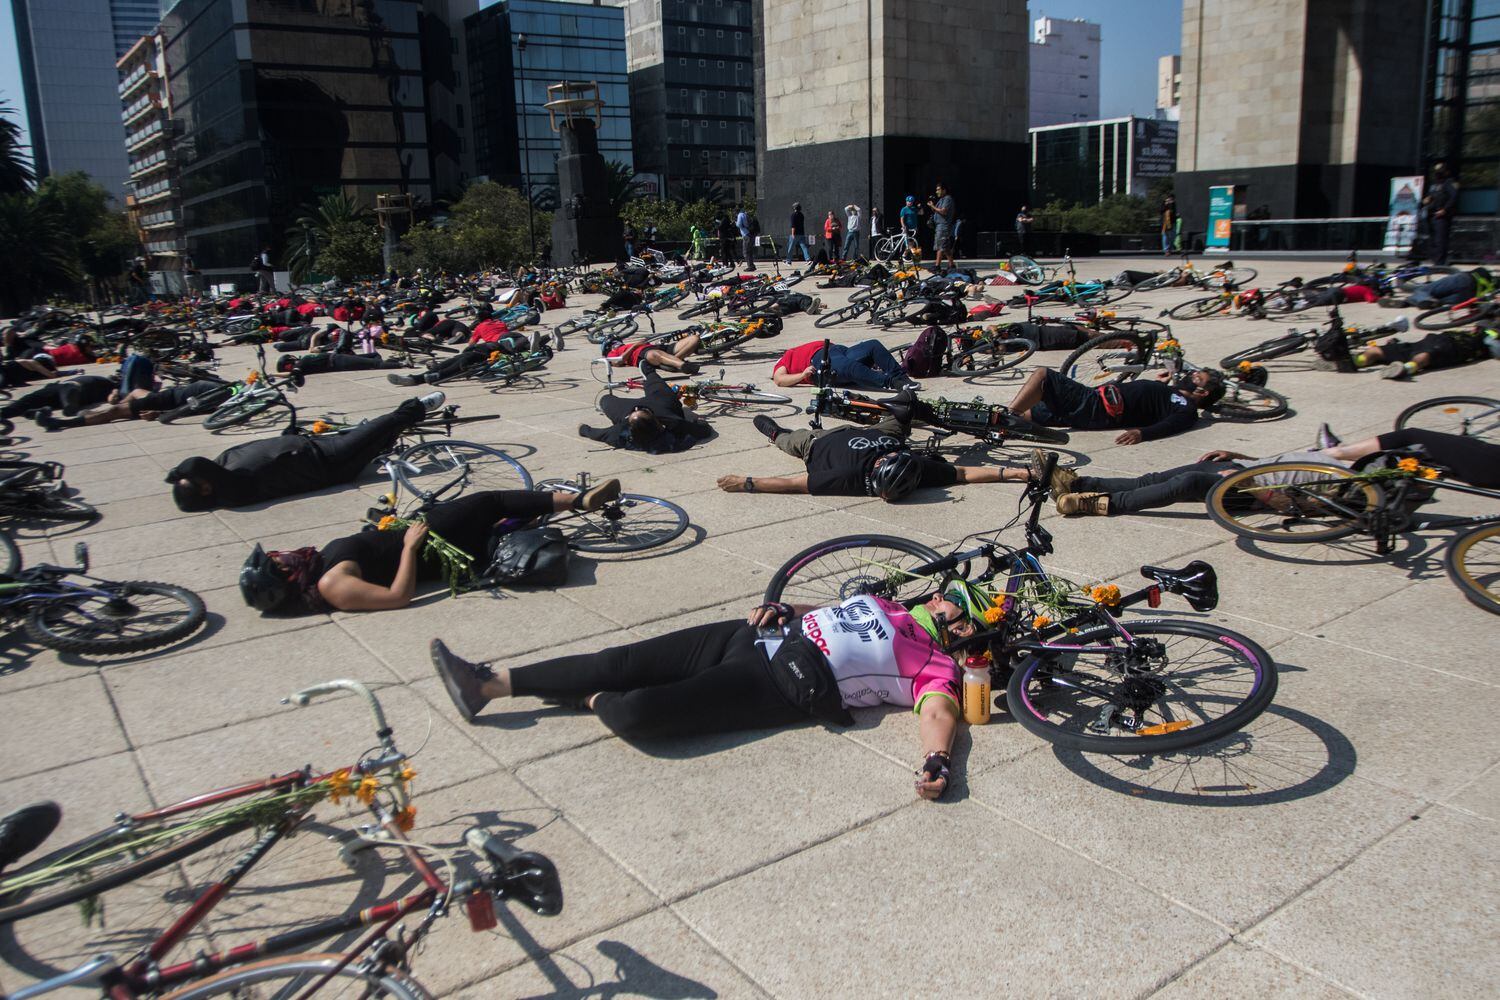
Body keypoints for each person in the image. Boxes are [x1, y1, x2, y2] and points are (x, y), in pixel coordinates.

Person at [427, 581, 1000, 799]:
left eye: (961, 609)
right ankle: (488, 683)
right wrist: (782, 605)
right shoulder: (889, 603)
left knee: (642, 712)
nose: (949, 605)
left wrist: (937, 759)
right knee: (620, 660)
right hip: (749, 636)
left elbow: (940, 711)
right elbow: (822, 609)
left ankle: (590, 700)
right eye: (956, 602)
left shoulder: (936, 666)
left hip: (778, 682)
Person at [238, 483, 623, 614]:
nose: (277, 554)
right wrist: (408, 547)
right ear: (283, 578)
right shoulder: (330, 585)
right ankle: (579, 501)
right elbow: (396, 597)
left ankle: (551, 510)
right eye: (274, 561)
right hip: (428, 546)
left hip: (418, 534)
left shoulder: (320, 566)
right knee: (488, 502)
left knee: (491, 521)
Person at [165, 393, 445, 512]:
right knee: (383, 425)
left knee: (375, 440)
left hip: (312, 449)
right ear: (204, 489)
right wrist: (176, 474)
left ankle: (391, 439)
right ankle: (416, 408)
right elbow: (194, 464)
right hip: (326, 462)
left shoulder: (220, 471)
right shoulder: (229, 493)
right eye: (194, 479)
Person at [717, 407, 1008, 501]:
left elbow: (792, 483)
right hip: (881, 432)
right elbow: (965, 474)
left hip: (819, 441)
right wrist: (1018, 473)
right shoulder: (915, 470)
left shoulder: (846, 478)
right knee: (906, 409)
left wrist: (746, 482)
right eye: (890, 457)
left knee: (786, 438)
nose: (884, 457)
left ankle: (774, 432)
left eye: (883, 460)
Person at [1004, 366, 1225, 445]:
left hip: (1096, 406)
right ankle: (995, 424)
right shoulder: (1175, 392)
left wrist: (1142, 433)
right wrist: (1163, 384)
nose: (1193, 374)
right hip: (1093, 404)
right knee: (1027, 414)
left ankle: (1008, 416)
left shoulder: (1187, 409)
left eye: (1198, 378)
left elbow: (1172, 424)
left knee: (1043, 375)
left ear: (1203, 393)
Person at [578, 361, 716, 452]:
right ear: (656, 422)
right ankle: (648, 372)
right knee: (656, 384)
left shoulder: (618, 432)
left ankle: (647, 374)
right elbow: (703, 431)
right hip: (661, 404)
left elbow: (597, 433)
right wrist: (700, 421)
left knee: (606, 400)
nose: (638, 409)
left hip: (627, 410)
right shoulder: (673, 422)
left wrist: (583, 429)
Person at [31, 376, 229, 430]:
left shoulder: (224, 395)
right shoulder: (225, 394)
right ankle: (97, 414)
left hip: (168, 400)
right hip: (169, 397)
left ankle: (60, 423)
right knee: (127, 400)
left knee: (116, 412)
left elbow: (193, 409)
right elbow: (197, 406)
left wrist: (159, 414)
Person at [1316, 326, 1498, 380]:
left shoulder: (1488, 338)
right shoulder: (1483, 331)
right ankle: (1354, 362)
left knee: (1426, 356)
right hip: (1429, 340)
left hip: (1451, 348)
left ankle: (1406, 369)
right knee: (1378, 350)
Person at [771, 338, 917, 391]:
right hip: (819, 362)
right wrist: (802, 375)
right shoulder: (783, 361)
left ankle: (901, 376)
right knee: (849, 367)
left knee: (873, 345)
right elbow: (779, 379)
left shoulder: (791, 352)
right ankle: (892, 382)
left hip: (838, 350)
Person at [0, 374, 116, 419]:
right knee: (28, 400)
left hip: (75, 390)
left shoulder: (112, 385)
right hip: (61, 391)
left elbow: (113, 397)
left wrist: (114, 396)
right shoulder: (102, 380)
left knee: (70, 390)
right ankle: (5, 413)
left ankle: (70, 407)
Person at [603, 330, 702, 374]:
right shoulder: (612, 353)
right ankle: (682, 365)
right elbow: (618, 362)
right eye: (614, 342)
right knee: (655, 354)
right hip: (642, 353)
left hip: (658, 347)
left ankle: (673, 362)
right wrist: (634, 346)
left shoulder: (624, 346)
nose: (617, 343)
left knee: (694, 338)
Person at [1427, 162, 1458, 266]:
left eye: (1440, 172)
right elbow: (1431, 196)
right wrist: (1427, 200)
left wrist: (1445, 209)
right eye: (1437, 172)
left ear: (1446, 172)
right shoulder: (1434, 185)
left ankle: (1440, 262)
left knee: (1441, 240)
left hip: (1442, 216)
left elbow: (1453, 197)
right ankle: (1434, 260)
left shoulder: (1449, 183)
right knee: (1433, 240)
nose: (1438, 174)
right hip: (1432, 215)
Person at [927, 183, 955, 272]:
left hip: (943, 226)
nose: (937, 192)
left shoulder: (948, 199)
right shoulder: (941, 199)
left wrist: (932, 206)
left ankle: (937, 266)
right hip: (939, 225)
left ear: (944, 190)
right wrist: (932, 206)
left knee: (940, 246)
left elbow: (943, 211)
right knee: (945, 247)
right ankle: (951, 265)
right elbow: (937, 211)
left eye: (938, 190)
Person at [735, 206, 757, 271]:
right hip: (751, 234)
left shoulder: (740, 215)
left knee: (746, 251)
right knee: (749, 251)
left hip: (746, 234)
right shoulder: (745, 214)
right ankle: (752, 265)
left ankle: (750, 266)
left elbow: (739, 224)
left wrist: (735, 223)